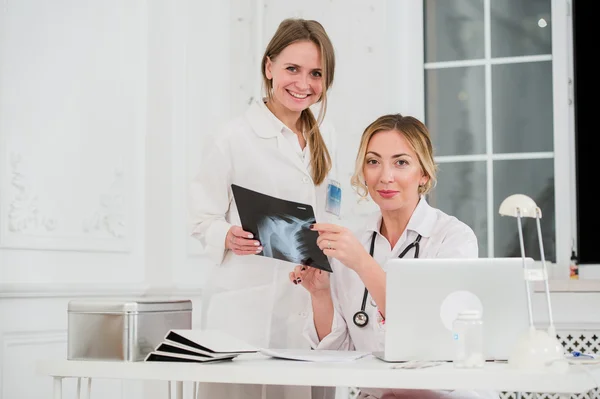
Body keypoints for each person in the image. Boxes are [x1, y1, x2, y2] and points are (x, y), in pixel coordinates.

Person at [290, 114, 496, 399]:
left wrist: (363, 264)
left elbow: (429, 337)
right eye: (373, 162)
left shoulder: (453, 239)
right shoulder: (354, 243)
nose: (385, 176)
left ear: (423, 173)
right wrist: (320, 293)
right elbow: (339, 356)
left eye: (401, 162)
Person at [189, 18, 340, 399]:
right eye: (292, 69)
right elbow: (200, 217)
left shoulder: (328, 137)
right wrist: (225, 235)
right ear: (269, 67)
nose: (303, 84)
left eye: (315, 73)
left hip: (310, 301)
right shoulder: (231, 138)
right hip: (246, 307)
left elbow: (332, 211)